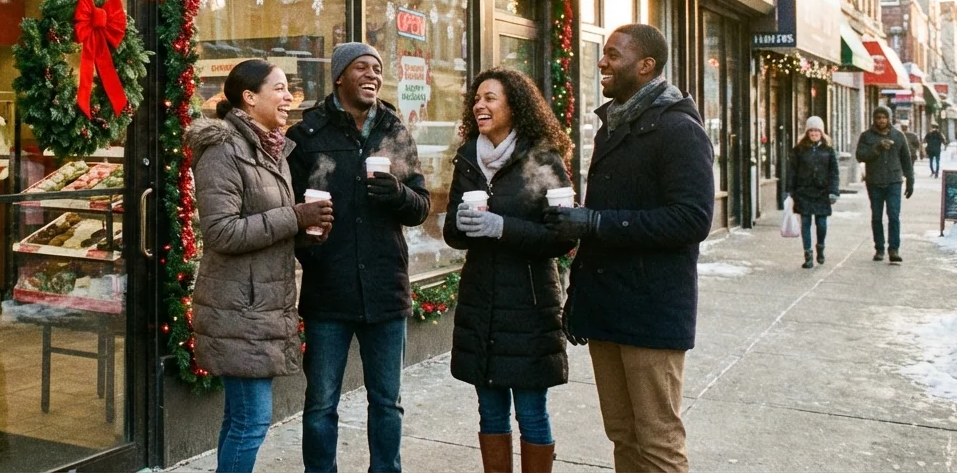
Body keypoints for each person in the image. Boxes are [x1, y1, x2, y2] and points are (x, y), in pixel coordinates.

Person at [544, 24, 713, 473]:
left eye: (613, 55)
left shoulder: (678, 128)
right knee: (622, 433)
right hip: (608, 307)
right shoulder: (613, 125)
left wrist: (597, 222)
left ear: (646, 65)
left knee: (657, 440)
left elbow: (694, 219)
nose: (602, 63)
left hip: (652, 311)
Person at [287, 42, 431, 473]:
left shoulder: (395, 131)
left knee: (387, 403)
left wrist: (399, 194)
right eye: (362, 68)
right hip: (328, 291)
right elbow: (286, 213)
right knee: (320, 404)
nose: (373, 76)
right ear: (339, 77)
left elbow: (421, 206)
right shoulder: (306, 135)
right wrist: (308, 242)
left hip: (386, 289)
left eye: (378, 69)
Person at [186, 59, 334, 473]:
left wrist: (308, 228)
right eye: (281, 89)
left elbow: (269, 223)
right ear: (250, 98)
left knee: (240, 419)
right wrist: (296, 218)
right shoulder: (223, 149)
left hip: (259, 305)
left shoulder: (271, 149)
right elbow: (222, 232)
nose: (290, 98)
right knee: (251, 421)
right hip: (239, 307)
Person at [443, 68, 575, 473]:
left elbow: (562, 237)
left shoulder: (543, 158)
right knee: (490, 412)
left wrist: (503, 228)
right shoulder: (468, 157)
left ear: (514, 106)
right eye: (476, 99)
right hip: (481, 301)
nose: (480, 105)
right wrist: (462, 224)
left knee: (532, 412)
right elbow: (450, 231)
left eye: (490, 98)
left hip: (530, 302)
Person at [855, 108, 914, 264]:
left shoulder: (898, 135)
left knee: (893, 216)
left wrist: (910, 180)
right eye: (878, 117)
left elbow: (906, 159)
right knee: (877, 216)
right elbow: (860, 156)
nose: (881, 120)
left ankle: (894, 249)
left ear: (889, 119)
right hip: (874, 181)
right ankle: (879, 249)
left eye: (884, 117)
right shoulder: (866, 136)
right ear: (874, 119)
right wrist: (877, 148)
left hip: (894, 180)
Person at [785, 116, 840, 269]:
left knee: (821, 223)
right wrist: (790, 191)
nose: (814, 133)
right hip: (804, 191)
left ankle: (820, 248)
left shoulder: (828, 150)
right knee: (806, 223)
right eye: (811, 130)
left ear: (822, 132)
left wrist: (833, 191)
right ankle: (808, 255)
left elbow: (834, 173)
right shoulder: (799, 150)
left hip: (822, 192)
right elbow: (792, 171)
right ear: (807, 132)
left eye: (817, 130)